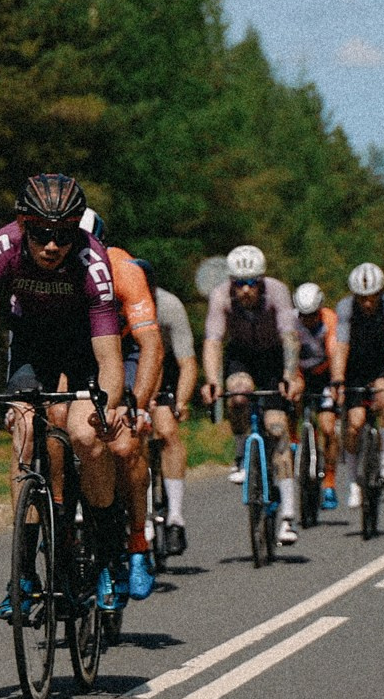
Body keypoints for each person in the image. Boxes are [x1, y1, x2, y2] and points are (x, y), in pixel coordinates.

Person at [0, 173, 132, 613]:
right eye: (40, 234)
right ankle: (22, 572)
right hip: (31, 343)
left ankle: (110, 555)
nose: (52, 246)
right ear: (22, 225)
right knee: (23, 430)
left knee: (87, 437)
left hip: (83, 344)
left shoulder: (93, 263)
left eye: (63, 235)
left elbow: (110, 359)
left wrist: (108, 408)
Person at [79, 208, 163, 603]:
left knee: (126, 445)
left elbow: (151, 347)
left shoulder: (124, 269)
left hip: (123, 349)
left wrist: (138, 407)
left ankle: (138, 543)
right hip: (78, 352)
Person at [203, 245, 304, 543]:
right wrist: (212, 380)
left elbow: (290, 337)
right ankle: (240, 455)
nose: (245, 290)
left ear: (261, 281)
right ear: (231, 282)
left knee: (277, 429)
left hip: (273, 357)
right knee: (237, 396)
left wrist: (289, 376)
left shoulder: (277, 292)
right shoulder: (220, 296)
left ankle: (288, 517)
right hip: (242, 356)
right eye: (239, 283)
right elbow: (213, 341)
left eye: (252, 283)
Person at [332, 263, 384, 504]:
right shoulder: (345, 307)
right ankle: (354, 481)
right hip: (355, 366)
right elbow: (341, 346)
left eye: (372, 297)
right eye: (361, 298)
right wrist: (338, 379)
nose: (367, 303)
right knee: (354, 425)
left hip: (381, 363)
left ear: (381, 293)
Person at [150, 275, 198, 554]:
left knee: (167, 430)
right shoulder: (112, 301)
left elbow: (187, 362)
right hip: (127, 364)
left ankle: (176, 518)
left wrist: (181, 401)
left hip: (164, 366)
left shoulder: (169, 306)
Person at [295, 280, 340, 510]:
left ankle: (329, 482)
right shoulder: (292, 321)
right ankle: (294, 441)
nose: (308, 319)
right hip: (300, 373)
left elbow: (334, 350)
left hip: (324, 375)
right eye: (304, 315)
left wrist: (336, 383)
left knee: (328, 428)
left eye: (312, 314)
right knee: (292, 398)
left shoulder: (330, 319)